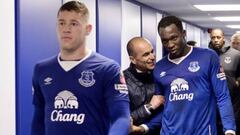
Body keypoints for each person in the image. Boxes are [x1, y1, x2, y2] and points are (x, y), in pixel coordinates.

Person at [31, 1, 130, 135]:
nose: (66, 29)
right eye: (61, 23)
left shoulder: (107, 68)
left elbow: (121, 118)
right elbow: (39, 117)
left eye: (73, 23)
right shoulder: (41, 69)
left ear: (88, 29)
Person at [154, 15, 236, 135]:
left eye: (174, 38)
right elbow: (162, 104)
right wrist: (145, 126)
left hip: (202, 131)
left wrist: (229, 129)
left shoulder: (208, 57)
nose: (170, 44)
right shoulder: (159, 67)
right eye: (164, 41)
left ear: (184, 34)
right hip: (169, 131)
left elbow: (222, 96)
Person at [124, 37, 164, 135]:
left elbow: (167, 111)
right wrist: (149, 107)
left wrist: (144, 127)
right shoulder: (122, 81)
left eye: (152, 51)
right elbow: (123, 119)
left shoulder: (161, 75)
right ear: (133, 59)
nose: (152, 57)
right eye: (146, 54)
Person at [210, 28, 240, 135]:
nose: (216, 40)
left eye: (218, 37)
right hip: (212, 102)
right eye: (213, 37)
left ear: (223, 38)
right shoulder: (206, 55)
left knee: (230, 130)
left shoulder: (236, 55)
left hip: (232, 101)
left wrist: (237, 82)